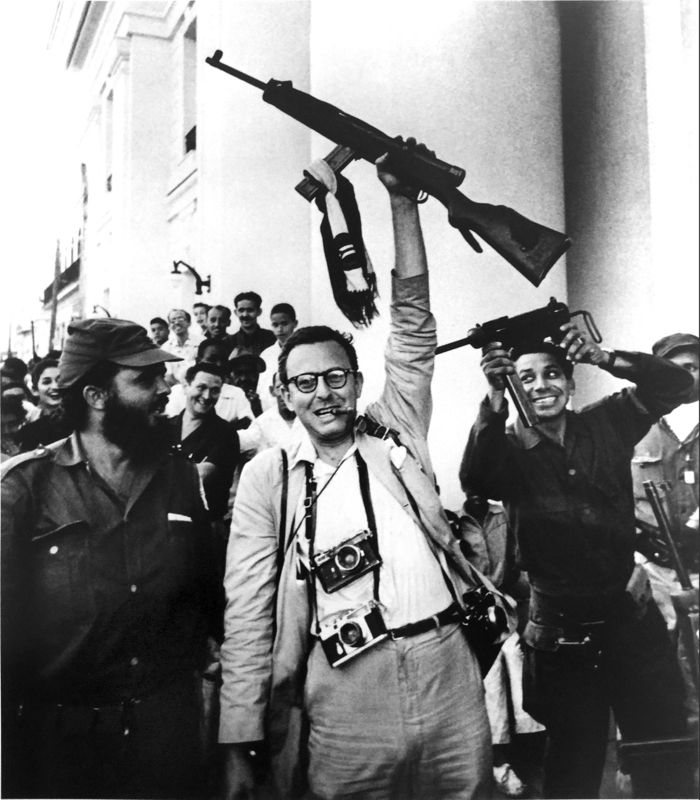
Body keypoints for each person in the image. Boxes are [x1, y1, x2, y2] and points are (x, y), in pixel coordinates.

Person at [219, 153, 495, 800]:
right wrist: (240, 739)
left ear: (358, 382)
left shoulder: (393, 424)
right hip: (343, 685)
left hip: (446, 665)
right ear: (284, 396)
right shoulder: (271, 478)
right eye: (306, 382)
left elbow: (413, 321)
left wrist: (401, 201)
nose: (325, 394)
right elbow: (249, 612)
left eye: (337, 377)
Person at [460, 328, 695, 799]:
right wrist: (492, 396)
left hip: (633, 624)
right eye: (525, 378)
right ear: (515, 387)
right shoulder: (506, 450)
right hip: (564, 640)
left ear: (570, 383)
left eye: (552, 374)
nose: (541, 385)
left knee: (662, 754)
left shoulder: (608, 421)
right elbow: (476, 478)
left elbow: (676, 386)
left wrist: (604, 357)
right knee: (574, 767)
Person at [1, 317, 220, 799]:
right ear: (96, 397)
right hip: (64, 755)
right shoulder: (23, 489)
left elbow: (208, 602)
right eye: (145, 379)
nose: (166, 388)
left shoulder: (181, 480)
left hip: (168, 746)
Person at [167, 362, 240, 523]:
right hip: (164, 525)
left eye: (215, 391)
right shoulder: (165, 427)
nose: (207, 396)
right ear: (186, 387)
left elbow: (198, 476)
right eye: (201, 387)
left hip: (205, 528)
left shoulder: (225, 434)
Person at [166, 340, 254, 428]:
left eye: (223, 361)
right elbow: (171, 429)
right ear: (198, 361)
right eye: (212, 360)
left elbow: (248, 429)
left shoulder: (236, 394)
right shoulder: (177, 392)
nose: (218, 365)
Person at [17, 359, 72, 451]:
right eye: (46, 382)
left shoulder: (80, 422)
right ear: (34, 390)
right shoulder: (27, 424)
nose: (55, 387)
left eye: (60, 381)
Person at [261, 303, 299, 410]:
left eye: (284, 323)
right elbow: (263, 391)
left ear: (295, 323)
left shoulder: (303, 351)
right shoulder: (266, 355)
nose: (280, 329)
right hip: (273, 411)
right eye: (275, 325)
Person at [231, 291, 276, 356]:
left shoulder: (271, 338)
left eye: (250, 310)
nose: (245, 315)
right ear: (236, 312)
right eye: (241, 310)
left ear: (259, 311)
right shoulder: (229, 342)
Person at [227, 347, 266, 418]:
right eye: (238, 373)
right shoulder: (221, 403)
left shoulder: (266, 400)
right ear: (230, 376)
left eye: (248, 372)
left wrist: (257, 411)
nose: (243, 378)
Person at [165, 308, 199, 386]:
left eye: (180, 319)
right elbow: (168, 375)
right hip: (175, 388)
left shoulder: (201, 342)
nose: (176, 323)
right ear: (170, 326)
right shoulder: (166, 348)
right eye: (173, 320)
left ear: (189, 323)